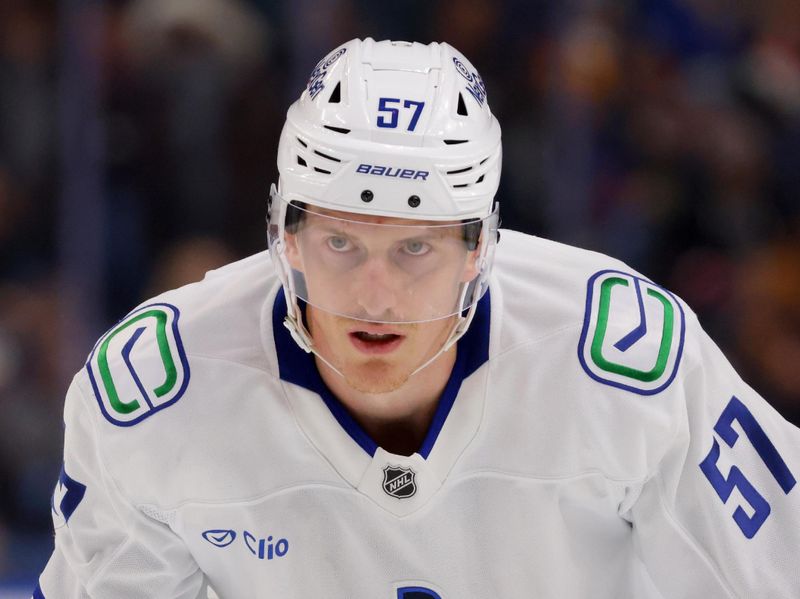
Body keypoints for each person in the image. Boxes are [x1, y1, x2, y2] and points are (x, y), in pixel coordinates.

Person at [35, 38, 799, 598]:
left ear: (478, 250)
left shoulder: (626, 363)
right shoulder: (154, 396)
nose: (375, 296)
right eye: (341, 242)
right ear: (286, 235)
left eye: (415, 249)